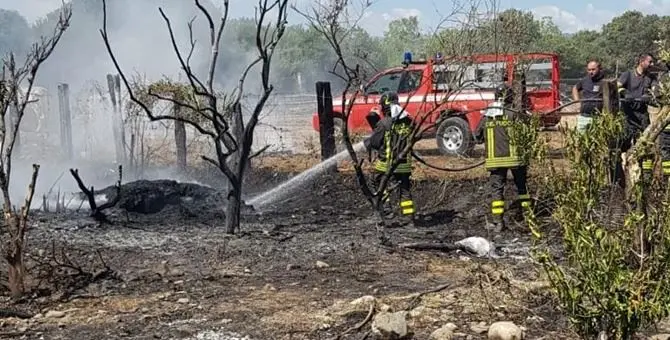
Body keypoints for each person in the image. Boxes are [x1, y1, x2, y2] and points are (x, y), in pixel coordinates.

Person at [483, 83, 531, 232]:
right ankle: (528, 217)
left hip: (495, 160)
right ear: (510, 97)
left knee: (497, 191)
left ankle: (498, 223)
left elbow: (477, 136)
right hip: (515, 158)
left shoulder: (487, 115)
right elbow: (528, 129)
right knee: (522, 187)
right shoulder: (514, 113)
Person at [363, 91, 416, 223]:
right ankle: (409, 217)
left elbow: (375, 143)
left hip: (386, 163)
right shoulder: (409, 121)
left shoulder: (384, 123)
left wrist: (368, 140)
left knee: (377, 183)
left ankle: (387, 210)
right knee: (404, 190)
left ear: (384, 107)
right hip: (404, 164)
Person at [614, 53, 659, 185]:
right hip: (627, 117)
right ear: (641, 61)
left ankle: (646, 179)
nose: (651, 65)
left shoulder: (651, 77)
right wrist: (624, 92)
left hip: (642, 117)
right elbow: (617, 85)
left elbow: (656, 90)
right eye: (649, 62)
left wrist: (651, 96)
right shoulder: (627, 75)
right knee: (620, 146)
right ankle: (618, 178)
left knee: (646, 147)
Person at [572, 60, 605, 132]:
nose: (591, 72)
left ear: (599, 69)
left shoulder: (605, 82)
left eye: (593, 69)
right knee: (580, 139)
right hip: (584, 116)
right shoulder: (585, 80)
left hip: (598, 118)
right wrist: (577, 102)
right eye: (589, 70)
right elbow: (575, 88)